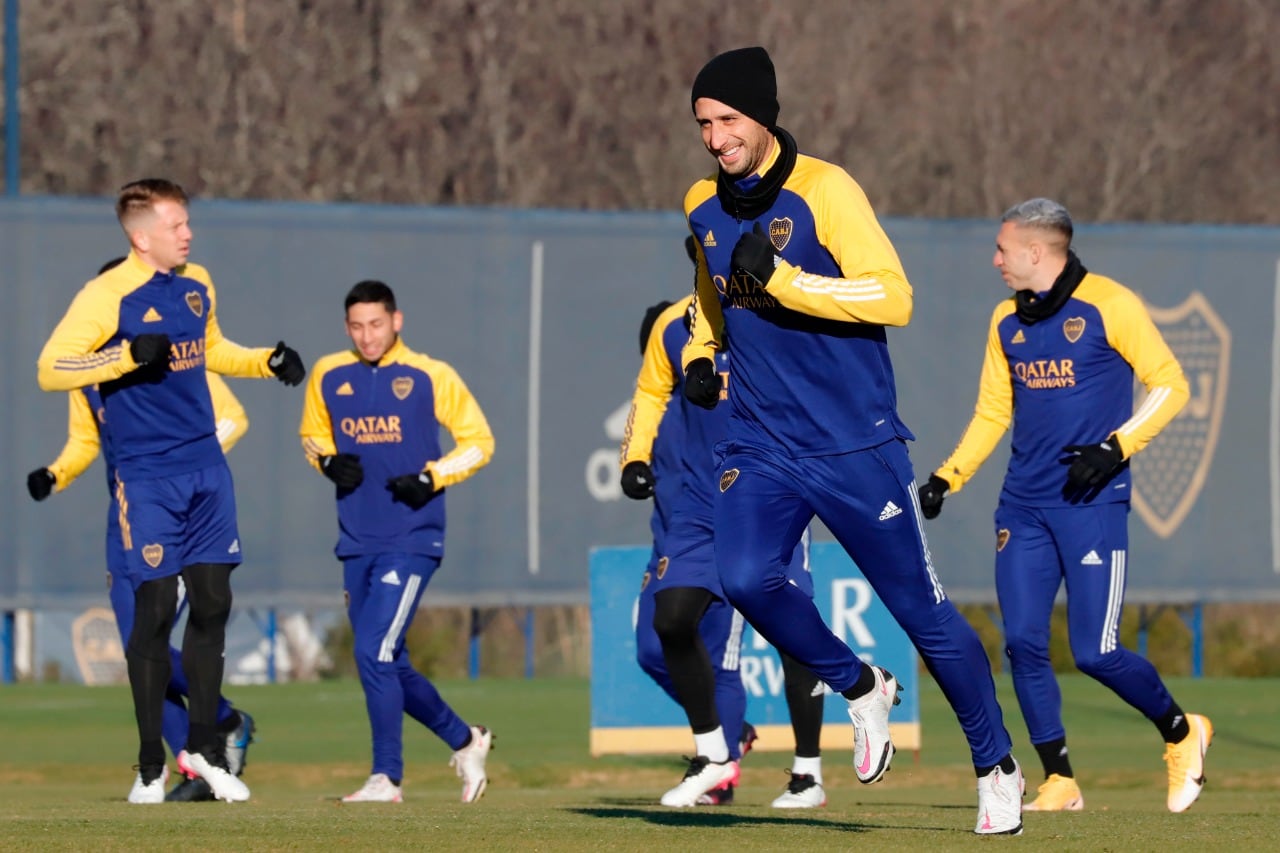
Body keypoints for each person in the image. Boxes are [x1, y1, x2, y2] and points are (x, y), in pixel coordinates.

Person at [679, 47, 1023, 834]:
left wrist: (789, 281)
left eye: (727, 120)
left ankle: (995, 762)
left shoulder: (827, 190)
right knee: (744, 577)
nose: (714, 138)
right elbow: (709, 297)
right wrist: (702, 357)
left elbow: (893, 296)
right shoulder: (701, 202)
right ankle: (860, 685)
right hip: (761, 442)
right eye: (702, 123)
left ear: (763, 116)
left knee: (922, 613)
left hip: (854, 445)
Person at [916, 198, 1211, 814]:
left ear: (1036, 252)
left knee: (1096, 651)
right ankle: (1060, 779)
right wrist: (949, 476)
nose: (995, 259)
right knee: (1022, 643)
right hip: (1022, 508)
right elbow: (994, 411)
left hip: (1092, 503)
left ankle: (1184, 734)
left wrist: (1117, 446)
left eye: (1002, 248)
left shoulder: (1110, 304)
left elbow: (1171, 383)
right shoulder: (1004, 320)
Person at [36, 179, 307, 804]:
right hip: (147, 476)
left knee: (213, 605)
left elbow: (212, 350)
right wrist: (126, 356)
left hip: (207, 469)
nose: (188, 233)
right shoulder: (105, 297)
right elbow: (51, 367)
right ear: (141, 236)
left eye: (188, 222)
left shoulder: (197, 283)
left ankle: (211, 753)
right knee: (154, 617)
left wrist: (266, 360)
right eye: (176, 224)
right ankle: (149, 766)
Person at [621, 270, 827, 809]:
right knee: (666, 627)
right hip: (696, 517)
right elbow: (647, 395)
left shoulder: (782, 311)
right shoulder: (674, 326)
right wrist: (634, 458)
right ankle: (716, 755)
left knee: (793, 634)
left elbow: (817, 394)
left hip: (770, 503)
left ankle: (807, 772)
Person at [299, 280, 496, 804]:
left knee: (371, 649)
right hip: (355, 539)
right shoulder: (328, 374)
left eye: (377, 325)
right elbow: (312, 437)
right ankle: (465, 740)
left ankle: (386, 778)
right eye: (357, 327)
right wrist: (325, 461)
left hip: (412, 537)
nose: (367, 336)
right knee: (387, 660)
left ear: (397, 321)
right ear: (347, 327)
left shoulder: (432, 375)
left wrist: (433, 477)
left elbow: (479, 442)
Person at [27, 362, 256, 803]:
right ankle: (211, 733)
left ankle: (207, 749)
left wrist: (174, 466)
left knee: (161, 630)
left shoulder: (177, 353)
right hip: (128, 514)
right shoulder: (90, 373)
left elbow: (233, 418)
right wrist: (57, 473)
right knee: (139, 640)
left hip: (181, 513)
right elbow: (85, 439)